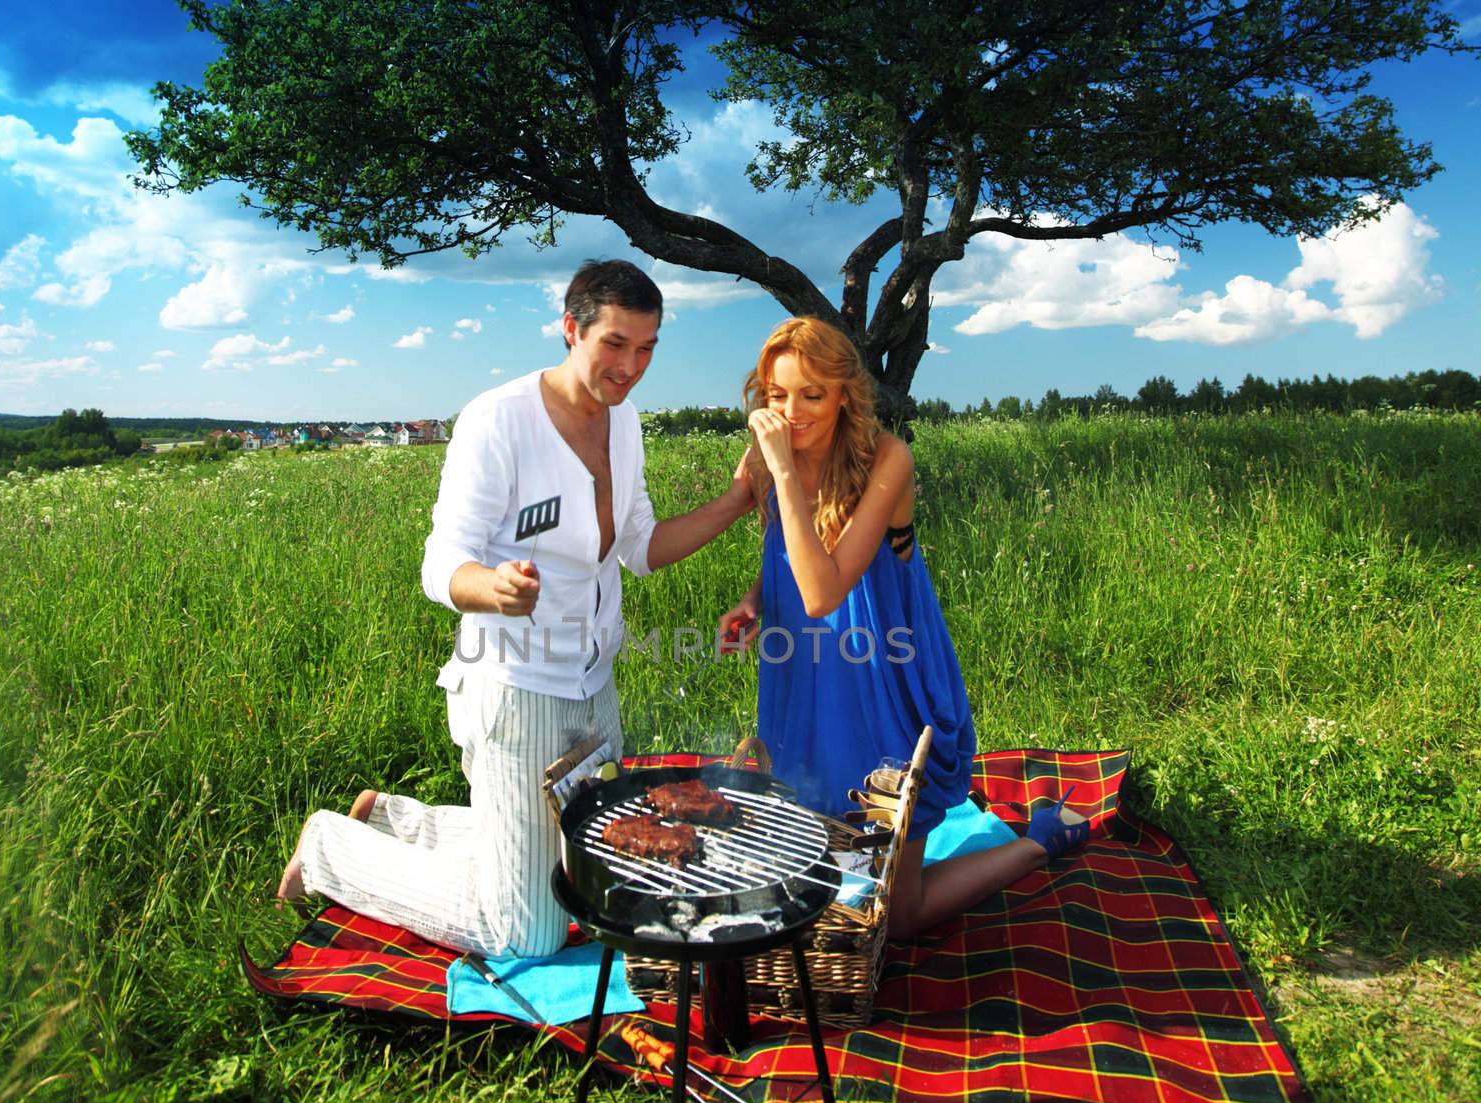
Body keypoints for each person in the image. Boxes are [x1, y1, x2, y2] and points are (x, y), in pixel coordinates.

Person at [277, 260, 755, 956]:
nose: (631, 367)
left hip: (595, 687)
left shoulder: (625, 426)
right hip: (515, 686)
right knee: (525, 932)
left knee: (591, 861)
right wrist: (492, 586)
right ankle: (332, 850)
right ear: (571, 328)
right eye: (615, 344)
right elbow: (440, 563)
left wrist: (739, 499)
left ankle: (397, 819)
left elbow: (641, 549)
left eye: (647, 347)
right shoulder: (498, 420)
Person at [716, 317, 1088, 940]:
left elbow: (825, 591)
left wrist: (779, 470)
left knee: (900, 915)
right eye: (777, 395)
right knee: (816, 867)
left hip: (882, 667)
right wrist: (756, 598)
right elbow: (788, 547)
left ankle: (1040, 841)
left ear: (844, 395)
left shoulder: (887, 458)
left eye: (811, 394)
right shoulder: (766, 458)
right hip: (803, 668)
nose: (792, 412)